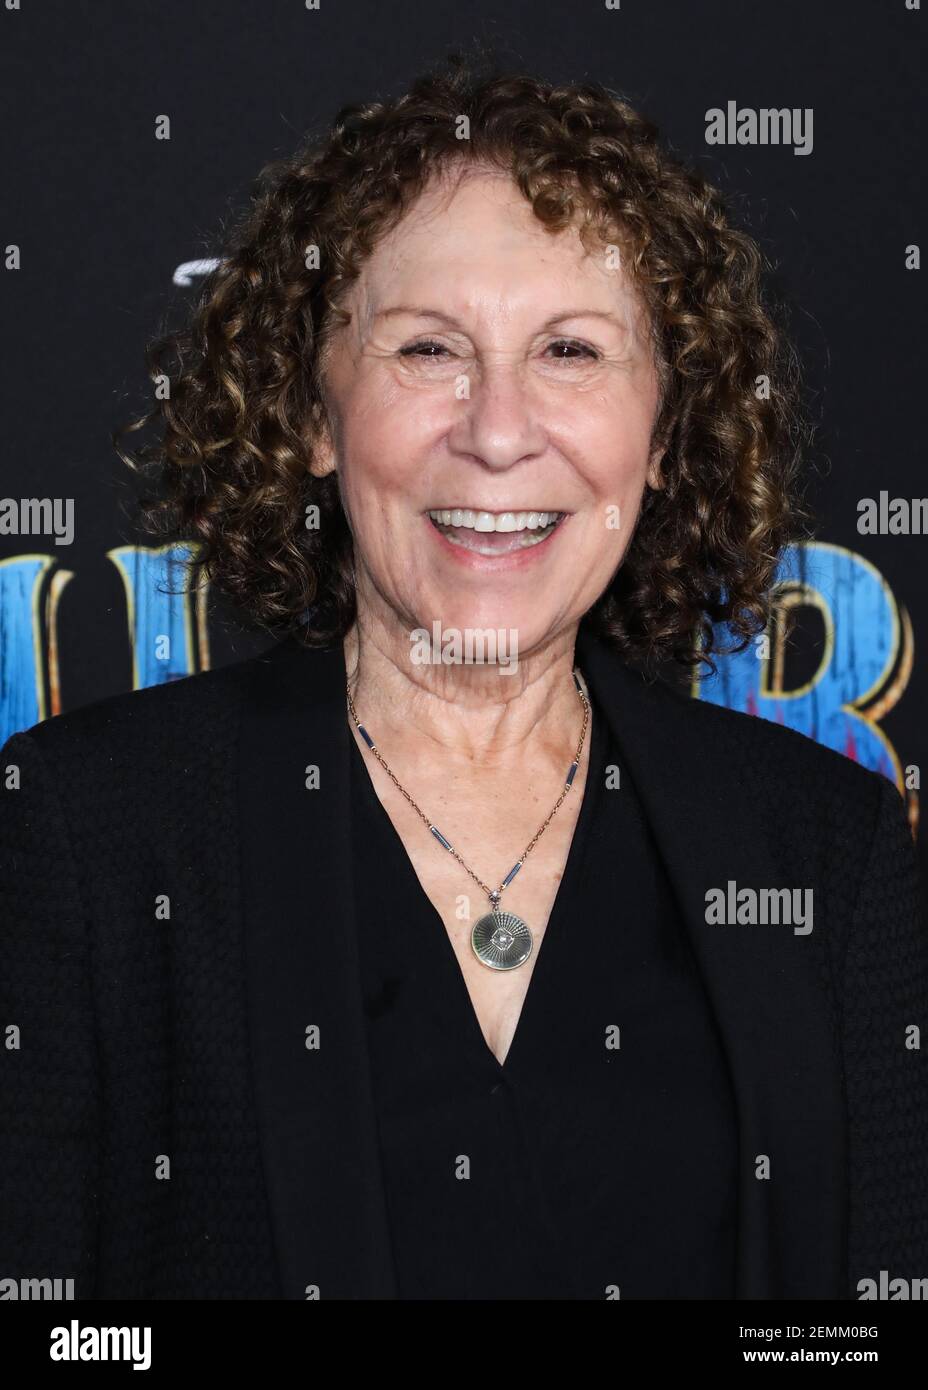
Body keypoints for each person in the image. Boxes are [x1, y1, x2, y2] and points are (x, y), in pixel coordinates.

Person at [1, 61, 925, 1301]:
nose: (497, 430)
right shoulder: (88, 831)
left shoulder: (825, 850)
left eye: (571, 350)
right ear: (313, 416)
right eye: (428, 347)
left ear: (660, 433)